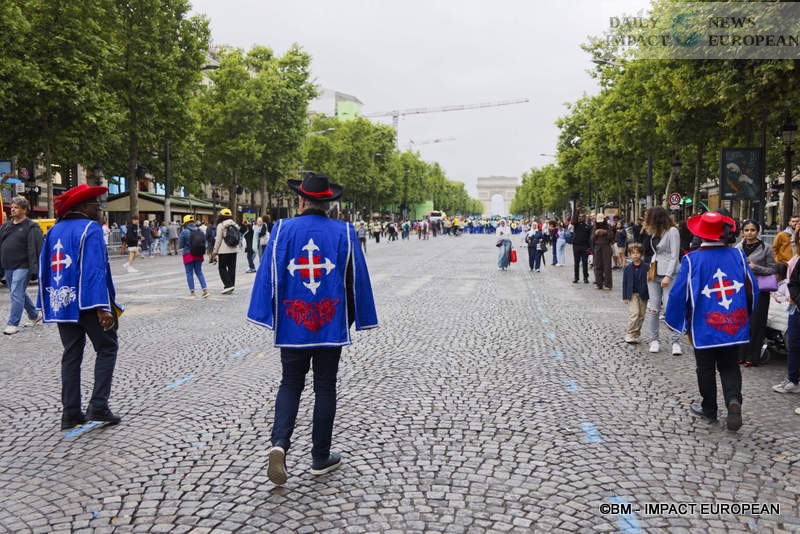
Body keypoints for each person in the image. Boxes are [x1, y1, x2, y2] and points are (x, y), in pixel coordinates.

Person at [247, 172, 378, 486]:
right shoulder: (345, 232)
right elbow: (355, 279)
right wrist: (348, 319)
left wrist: (271, 313)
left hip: (293, 325)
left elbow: (269, 275)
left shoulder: (281, 229)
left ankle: (279, 443)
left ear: (300, 200)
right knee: (325, 387)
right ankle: (320, 457)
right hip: (330, 324)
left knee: (290, 384)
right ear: (329, 203)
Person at [38, 183, 122, 430]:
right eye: (96, 205)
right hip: (88, 303)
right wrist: (102, 307)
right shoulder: (90, 228)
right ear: (84, 207)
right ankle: (98, 404)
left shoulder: (54, 230)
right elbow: (94, 269)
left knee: (71, 355)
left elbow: (44, 268)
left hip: (62, 301)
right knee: (107, 348)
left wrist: (49, 301)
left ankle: (71, 412)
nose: (100, 209)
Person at [665, 211, 757, 431]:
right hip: (733, 323)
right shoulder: (738, 256)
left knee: (705, 367)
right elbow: (752, 288)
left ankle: (709, 409)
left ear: (700, 234)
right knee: (729, 366)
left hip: (703, 326)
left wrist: (677, 321)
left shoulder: (691, 259)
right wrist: (746, 316)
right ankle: (733, 401)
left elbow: (679, 294)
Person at [734, 220, 776, 366]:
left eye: (752, 230)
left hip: (760, 290)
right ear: (742, 232)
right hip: (742, 289)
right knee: (742, 321)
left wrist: (755, 267)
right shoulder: (738, 247)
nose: (749, 233)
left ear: (757, 231)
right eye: (746, 230)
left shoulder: (766, 248)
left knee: (757, 323)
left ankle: (753, 357)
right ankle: (740, 354)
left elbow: (772, 269)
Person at [0, 196, 44, 335]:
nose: (13, 209)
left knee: (16, 293)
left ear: (24, 210)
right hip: (7, 265)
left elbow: (39, 248)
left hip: (23, 266)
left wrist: (37, 268)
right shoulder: (6, 226)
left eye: (16, 207)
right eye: (12, 207)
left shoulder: (31, 227)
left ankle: (13, 324)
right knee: (19, 292)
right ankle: (34, 315)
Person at [643, 206, 683, 355]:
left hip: (669, 274)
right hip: (654, 272)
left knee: (670, 307)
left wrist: (668, 275)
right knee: (653, 308)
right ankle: (654, 340)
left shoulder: (673, 232)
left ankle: (675, 341)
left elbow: (674, 255)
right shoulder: (654, 232)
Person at [622, 242, 649, 343]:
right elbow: (624, 283)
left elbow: (649, 281)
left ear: (641, 254)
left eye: (637, 253)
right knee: (635, 313)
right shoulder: (628, 268)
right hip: (632, 294)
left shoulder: (646, 267)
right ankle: (630, 333)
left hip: (643, 294)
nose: (635, 255)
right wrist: (625, 296)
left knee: (641, 315)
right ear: (630, 254)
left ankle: (636, 333)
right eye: (633, 253)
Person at [177, 214, 209, 298]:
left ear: (185, 223)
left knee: (189, 273)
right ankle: (205, 290)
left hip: (188, 254)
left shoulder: (184, 232)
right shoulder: (200, 231)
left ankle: (192, 292)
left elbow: (180, 245)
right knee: (199, 272)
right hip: (199, 254)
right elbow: (204, 242)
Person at [212, 208, 239, 294]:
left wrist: (215, 251)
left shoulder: (221, 225)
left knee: (222, 268)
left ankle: (228, 285)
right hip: (234, 249)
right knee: (232, 268)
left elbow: (218, 240)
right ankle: (231, 285)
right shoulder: (235, 225)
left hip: (224, 250)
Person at [592, 214, 614, 290]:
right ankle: (599, 283)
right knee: (597, 265)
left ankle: (608, 284)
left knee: (607, 266)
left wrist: (605, 232)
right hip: (597, 247)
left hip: (606, 246)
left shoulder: (608, 226)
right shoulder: (595, 227)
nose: (600, 223)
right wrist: (595, 233)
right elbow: (592, 239)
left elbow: (611, 237)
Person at [571, 214, 592, 284]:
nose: (581, 218)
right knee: (576, 263)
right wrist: (577, 211)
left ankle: (585, 278)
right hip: (576, 246)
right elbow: (573, 220)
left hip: (584, 247)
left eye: (582, 216)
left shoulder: (588, 227)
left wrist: (589, 247)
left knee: (585, 263)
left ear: (585, 218)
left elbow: (589, 238)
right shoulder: (576, 225)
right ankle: (576, 277)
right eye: (579, 216)